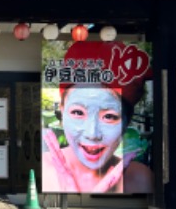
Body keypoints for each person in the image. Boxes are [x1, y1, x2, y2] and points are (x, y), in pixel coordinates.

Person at [42, 41, 154, 194]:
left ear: (127, 122)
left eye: (109, 116)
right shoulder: (43, 170)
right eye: (78, 113)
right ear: (62, 112)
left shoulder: (138, 179)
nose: (92, 134)